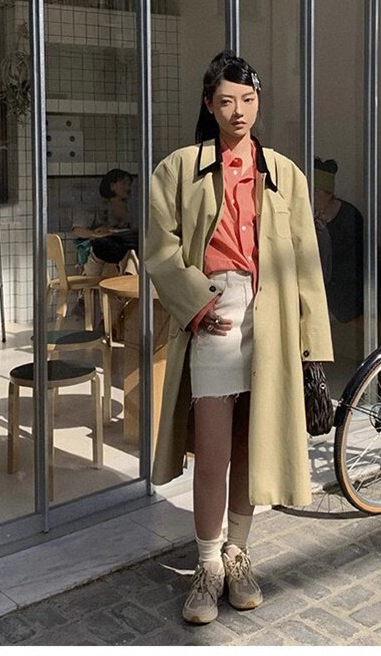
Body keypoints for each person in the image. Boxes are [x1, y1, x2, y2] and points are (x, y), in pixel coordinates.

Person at [145, 51, 333, 625]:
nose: (238, 111)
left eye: (248, 100)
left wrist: (311, 342)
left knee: (253, 444)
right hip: (215, 312)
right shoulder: (178, 168)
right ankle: (207, 565)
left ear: (258, 103)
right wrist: (196, 305)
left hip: (271, 316)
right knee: (214, 451)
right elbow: (160, 249)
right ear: (209, 104)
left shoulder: (285, 173)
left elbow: (305, 262)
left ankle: (238, 553)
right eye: (226, 101)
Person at [313, 157, 364, 324]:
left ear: (329, 194)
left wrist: (323, 234)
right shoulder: (309, 216)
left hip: (348, 291)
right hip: (321, 286)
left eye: (316, 192)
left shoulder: (349, 217)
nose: (311, 197)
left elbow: (351, 265)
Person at [71, 169, 139, 278]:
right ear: (112, 186)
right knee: (107, 244)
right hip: (99, 255)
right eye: (124, 183)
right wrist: (96, 234)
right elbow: (77, 230)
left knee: (133, 246)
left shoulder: (130, 209)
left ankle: (129, 278)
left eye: (129, 184)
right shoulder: (94, 206)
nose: (128, 187)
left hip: (122, 252)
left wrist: (115, 233)